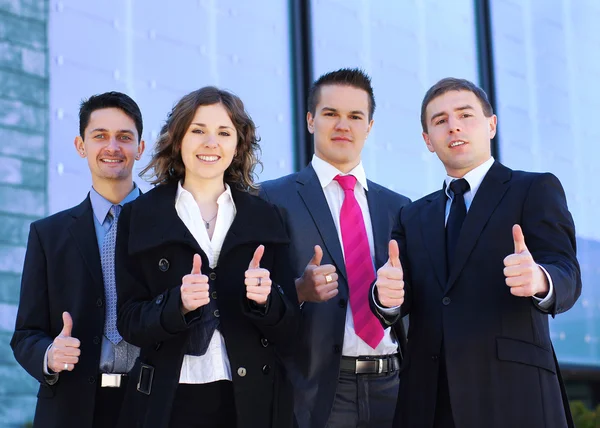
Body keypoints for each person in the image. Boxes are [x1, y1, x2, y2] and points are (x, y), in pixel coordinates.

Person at [373, 77, 581, 428]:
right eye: (439, 121)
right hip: (429, 401)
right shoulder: (412, 215)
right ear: (428, 141)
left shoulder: (534, 188)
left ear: (491, 124)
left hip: (515, 396)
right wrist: (385, 298)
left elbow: (567, 272)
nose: (453, 125)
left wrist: (540, 279)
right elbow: (399, 295)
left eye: (465, 115)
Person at [115, 86, 299, 428]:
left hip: (250, 401)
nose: (210, 142)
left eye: (224, 132)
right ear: (178, 138)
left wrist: (266, 301)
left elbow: (290, 327)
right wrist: (176, 305)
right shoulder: (140, 216)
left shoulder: (267, 217)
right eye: (198, 130)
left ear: (238, 144)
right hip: (168, 401)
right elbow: (128, 321)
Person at [260, 68, 411, 428]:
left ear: (369, 127)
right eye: (331, 114)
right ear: (311, 120)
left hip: (394, 386)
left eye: (355, 116)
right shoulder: (271, 199)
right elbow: (254, 302)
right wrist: (299, 290)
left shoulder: (400, 207)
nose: (343, 125)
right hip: (315, 392)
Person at [11, 91, 146, 427]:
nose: (112, 147)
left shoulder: (171, 227)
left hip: (150, 405)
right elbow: (26, 333)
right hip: (72, 409)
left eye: (124, 137)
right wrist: (48, 354)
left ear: (140, 149)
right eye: (100, 136)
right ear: (80, 145)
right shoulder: (48, 235)